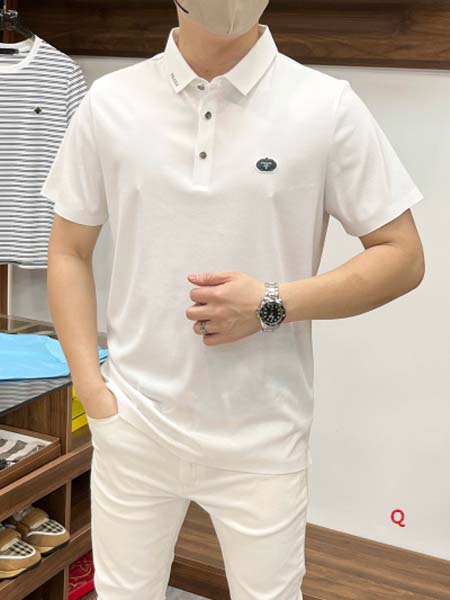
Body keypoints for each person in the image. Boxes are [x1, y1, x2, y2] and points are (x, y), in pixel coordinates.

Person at [42, 1, 426, 598]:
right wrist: (93, 390)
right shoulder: (110, 101)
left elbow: (402, 256)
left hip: (263, 431)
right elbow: (69, 249)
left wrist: (271, 302)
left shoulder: (325, 105)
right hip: (134, 420)